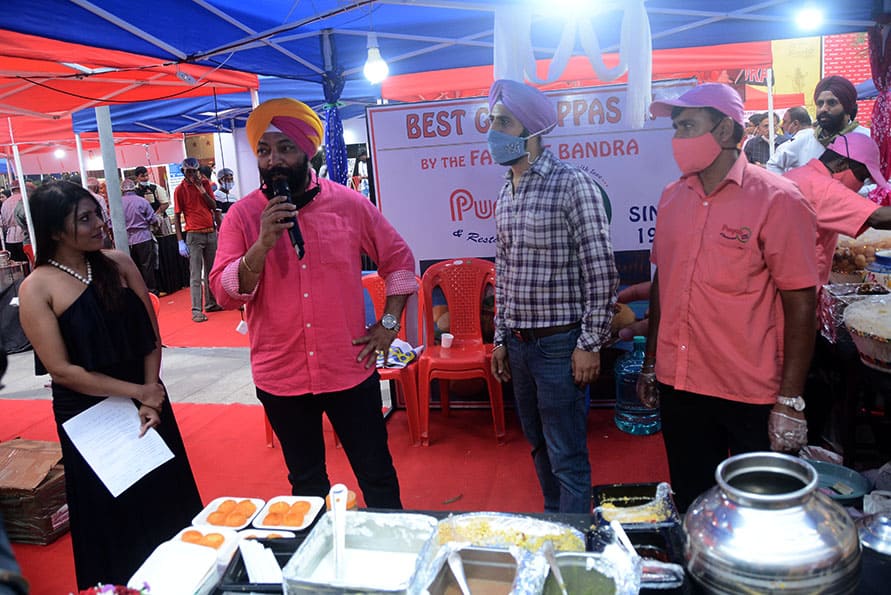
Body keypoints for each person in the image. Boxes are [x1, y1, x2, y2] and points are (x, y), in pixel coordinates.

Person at [208, 98, 415, 508]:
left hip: (348, 369)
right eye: (264, 150)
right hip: (281, 375)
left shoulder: (349, 205)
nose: (273, 160)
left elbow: (400, 262)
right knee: (306, 485)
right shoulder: (242, 217)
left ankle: (391, 544)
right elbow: (224, 293)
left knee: (376, 474)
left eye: (285, 148)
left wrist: (389, 324)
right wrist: (262, 244)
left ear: (309, 150)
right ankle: (317, 548)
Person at [639, 83, 819, 512]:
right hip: (680, 383)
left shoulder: (777, 199)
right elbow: (664, 281)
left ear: (723, 130)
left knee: (759, 515)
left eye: (687, 126)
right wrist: (650, 363)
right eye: (675, 128)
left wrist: (790, 400)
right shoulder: (672, 197)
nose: (677, 138)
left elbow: (801, 300)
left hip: (749, 391)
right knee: (693, 503)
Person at [17, 181, 202, 589]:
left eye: (97, 214)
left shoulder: (118, 263)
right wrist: (139, 393)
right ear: (54, 231)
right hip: (89, 412)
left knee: (166, 497)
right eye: (84, 219)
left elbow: (151, 337)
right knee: (112, 510)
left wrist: (150, 394)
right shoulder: (37, 287)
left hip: (148, 400)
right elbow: (62, 371)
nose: (99, 224)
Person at [486, 79, 619, 514]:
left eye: (503, 122)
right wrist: (500, 339)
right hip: (519, 346)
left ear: (533, 130)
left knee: (566, 452)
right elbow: (505, 271)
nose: (493, 131)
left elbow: (601, 271)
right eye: (492, 122)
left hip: (561, 346)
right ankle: (553, 519)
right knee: (538, 444)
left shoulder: (573, 185)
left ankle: (574, 540)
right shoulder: (506, 190)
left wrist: (590, 344)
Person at [765, 76, 870, 174]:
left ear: (847, 107)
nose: (823, 109)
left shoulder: (866, 138)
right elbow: (773, 164)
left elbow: (878, 179)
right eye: (820, 104)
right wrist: (791, 186)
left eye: (832, 103)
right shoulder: (806, 139)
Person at [173, 157, 222, 322]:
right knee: (195, 273)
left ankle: (211, 303)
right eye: (188, 172)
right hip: (194, 234)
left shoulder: (205, 184)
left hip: (210, 232)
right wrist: (180, 241)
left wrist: (202, 190)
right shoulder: (180, 190)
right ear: (183, 172)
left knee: (211, 271)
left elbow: (213, 206)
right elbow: (177, 215)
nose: (192, 174)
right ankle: (196, 310)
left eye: (194, 171)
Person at [120, 178, 158, 293]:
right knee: (147, 266)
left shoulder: (117, 203)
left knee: (131, 268)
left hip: (126, 240)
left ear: (122, 190)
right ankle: (151, 291)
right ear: (134, 188)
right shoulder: (142, 201)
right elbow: (153, 219)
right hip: (143, 237)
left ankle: (136, 292)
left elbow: (112, 224)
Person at [766, 107, 814, 174]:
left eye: (785, 122)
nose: (782, 126)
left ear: (795, 124)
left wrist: (785, 179)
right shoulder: (822, 139)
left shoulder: (790, 145)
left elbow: (772, 165)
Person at [0, 184, 26, 263]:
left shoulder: (5, 203)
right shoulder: (24, 199)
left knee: (15, 263)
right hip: (24, 236)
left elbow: (3, 222)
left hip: (10, 238)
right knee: (27, 263)